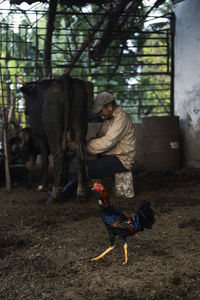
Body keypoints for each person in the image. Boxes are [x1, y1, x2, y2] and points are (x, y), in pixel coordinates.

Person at [60, 91, 136, 196]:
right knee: (82, 163)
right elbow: (99, 137)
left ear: (109, 106)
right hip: (111, 156)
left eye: (101, 111)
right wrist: (83, 142)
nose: (100, 114)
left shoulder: (121, 118)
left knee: (85, 168)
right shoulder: (108, 119)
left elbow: (107, 142)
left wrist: (81, 146)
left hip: (122, 160)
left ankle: (65, 193)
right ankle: (80, 190)